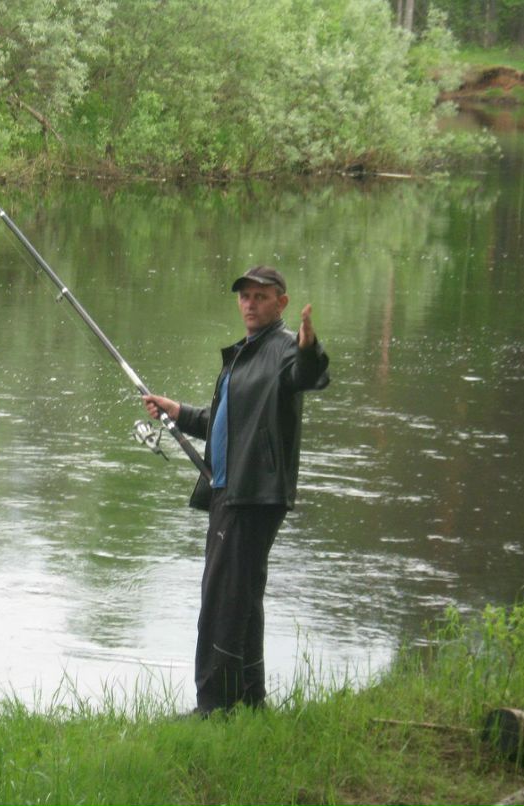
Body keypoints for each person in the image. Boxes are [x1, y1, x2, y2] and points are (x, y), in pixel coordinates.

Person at [142, 265, 329, 716]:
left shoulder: (283, 350)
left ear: (281, 303)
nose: (249, 303)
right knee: (242, 595)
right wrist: (179, 412)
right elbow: (223, 423)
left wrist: (310, 347)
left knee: (222, 597)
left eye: (260, 297)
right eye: (244, 296)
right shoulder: (246, 353)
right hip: (231, 489)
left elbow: (308, 374)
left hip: (252, 494)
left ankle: (213, 706)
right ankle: (249, 698)